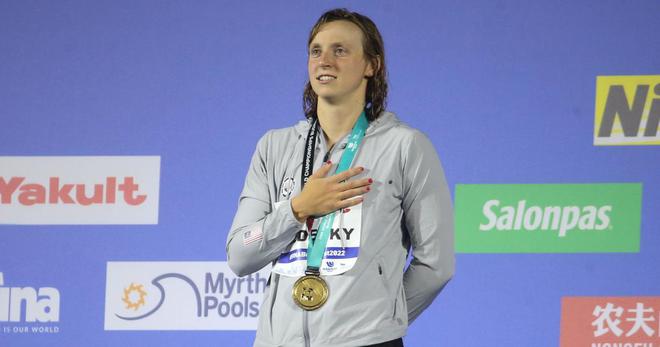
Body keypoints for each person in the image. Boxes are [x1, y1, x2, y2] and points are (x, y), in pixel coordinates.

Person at [226, 8, 454, 347]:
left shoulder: (406, 146)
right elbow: (240, 253)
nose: (325, 60)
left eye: (340, 50)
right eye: (316, 51)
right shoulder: (273, 147)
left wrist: (378, 321)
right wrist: (297, 209)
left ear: (371, 65)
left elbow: (437, 265)